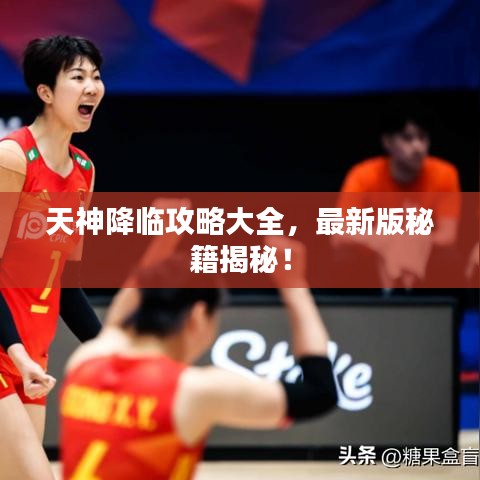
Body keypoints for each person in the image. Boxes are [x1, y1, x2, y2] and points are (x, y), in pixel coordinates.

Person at [60, 243, 337, 480]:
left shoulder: (86, 359)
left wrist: (163, 240)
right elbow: (319, 392)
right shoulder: (192, 391)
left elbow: (124, 308)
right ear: (199, 315)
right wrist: (294, 286)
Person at [0, 36, 104, 480]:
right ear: (45, 91)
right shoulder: (12, 158)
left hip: (32, 358)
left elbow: (65, 281)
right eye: (77, 77)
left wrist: (109, 350)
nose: (92, 87)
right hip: (6, 350)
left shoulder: (84, 171)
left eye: (96, 76)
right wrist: (16, 353)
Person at [335, 106, 461, 288]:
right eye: (407, 138)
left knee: (449, 259)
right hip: (374, 254)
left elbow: (448, 235)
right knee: (344, 258)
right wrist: (385, 240)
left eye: (422, 138)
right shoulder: (363, 175)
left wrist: (409, 241)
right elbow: (340, 233)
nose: (417, 147)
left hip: (423, 252)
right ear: (387, 142)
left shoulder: (444, 174)